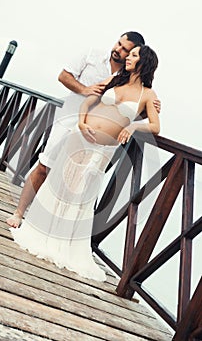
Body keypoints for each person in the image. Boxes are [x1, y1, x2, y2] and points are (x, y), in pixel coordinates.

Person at [10, 44, 160, 281]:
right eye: (128, 54)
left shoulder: (148, 95)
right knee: (60, 186)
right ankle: (40, 230)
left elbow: (155, 126)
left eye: (133, 55)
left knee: (82, 195)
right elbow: (88, 102)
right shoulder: (115, 79)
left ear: (145, 63)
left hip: (103, 150)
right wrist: (81, 122)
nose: (127, 58)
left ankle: (65, 243)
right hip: (80, 137)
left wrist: (132, 126)